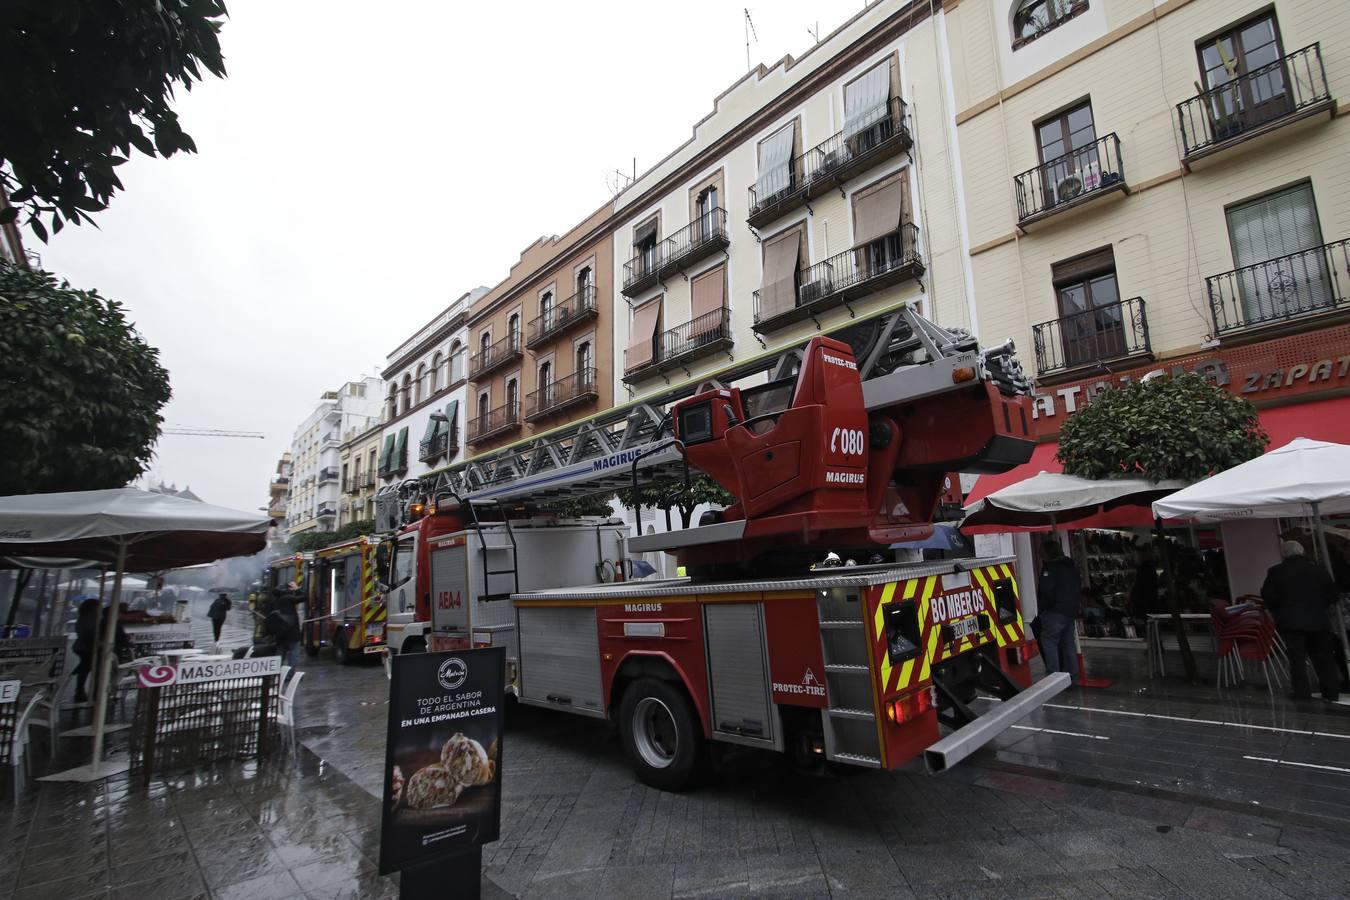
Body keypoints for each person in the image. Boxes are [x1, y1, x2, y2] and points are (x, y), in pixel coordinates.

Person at [1261, 540, 1340, 702]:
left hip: (1291, 622)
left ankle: (1302, 693)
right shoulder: (1318, 570)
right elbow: (1333, 595)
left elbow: (1269, 596)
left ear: (1284, 554)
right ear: (1302, 552)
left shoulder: (1276, 572)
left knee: (1297, 659)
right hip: (1319, 620)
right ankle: (1331, 692)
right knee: (1324, 657)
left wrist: (1280, 610)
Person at [1037, 539, 1082, 685]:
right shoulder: (1070, 566)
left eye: (1041, 551)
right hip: (1070, 610)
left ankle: (1053, 679)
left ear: (1047, 552)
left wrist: (1044, 609)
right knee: (1068, 643)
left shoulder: (1050, 568)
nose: (1039, 554)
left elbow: (1046, 591)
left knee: (1049, 642)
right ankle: (1073, 676)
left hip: (1054, 612)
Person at [72, 598, 131, 704]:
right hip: (88, 648)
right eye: (99, 606)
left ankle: (82, 691)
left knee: (86, 669)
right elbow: (90, 636)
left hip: (83, 648)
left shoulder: (85, 619)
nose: (101, 608)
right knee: (94, 670)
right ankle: (95, 694)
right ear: (94, 608)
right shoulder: (92, 620)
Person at [266, 582, 303, 668]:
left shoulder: (274, 600)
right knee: (294, 654)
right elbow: (304, 597)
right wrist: (297, 589)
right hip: (292, 633)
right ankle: (289, 675)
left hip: (280, 634)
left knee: (279, 655)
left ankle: (275, 674)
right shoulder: (288, 598)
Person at [1129, 544, 1159, 621]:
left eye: (1136, 555)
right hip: (1146, 602)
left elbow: (1142, 587)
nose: (1135, 557)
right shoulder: (1146, 568)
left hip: (1143, 603)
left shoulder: (1145, 568)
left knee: (1145, 623)